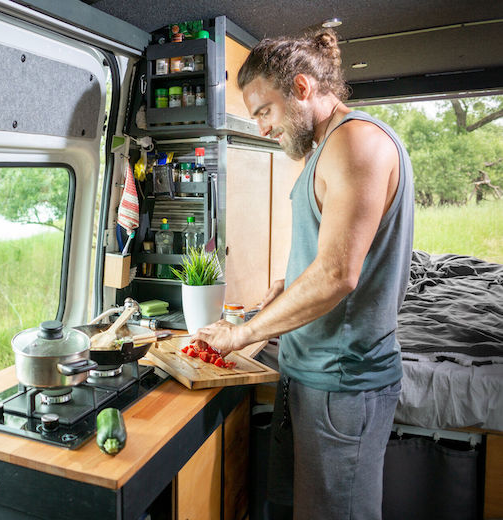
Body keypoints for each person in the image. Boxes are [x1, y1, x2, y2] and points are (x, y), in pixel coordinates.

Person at [192, 29, 414, 520]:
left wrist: (243, 333)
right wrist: (286, 286)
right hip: (313, 374)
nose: (262, 129)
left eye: (264, 111)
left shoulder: (355, 142)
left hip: (343, 383)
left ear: (301, 87)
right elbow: (323, 257)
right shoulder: (325, 147)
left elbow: (337, 274)